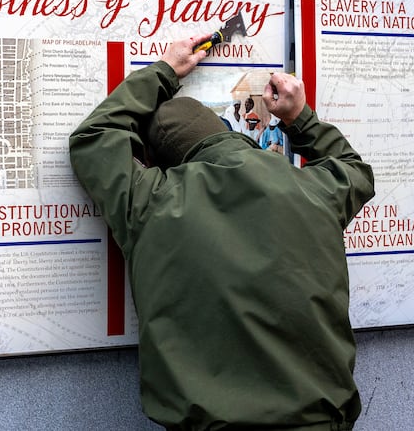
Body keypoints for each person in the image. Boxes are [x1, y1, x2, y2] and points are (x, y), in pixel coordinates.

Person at [68, 34, 375, 430]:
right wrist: (300, 118)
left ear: (158, 162)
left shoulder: (151, 203)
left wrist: (160, 73)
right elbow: (354, 170)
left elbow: (94, 140)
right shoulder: (314, 189)